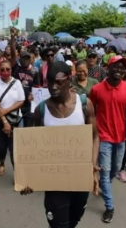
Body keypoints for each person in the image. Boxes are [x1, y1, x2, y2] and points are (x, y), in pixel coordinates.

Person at [21, 61, 100, 228]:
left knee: (73, 221)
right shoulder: (41, 111)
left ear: (69, 80)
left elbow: (94, 137)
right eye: (50, 82)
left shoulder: (84, 105)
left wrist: (93, 167)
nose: (53, 87)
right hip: (54, 183)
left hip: (79, 180)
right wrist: (27, 178)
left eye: (59, 82)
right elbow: (34, 148)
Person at [89, 56, 126, 223]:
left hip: (121, 137)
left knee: (116, 169)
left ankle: (103, 184)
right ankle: (109, 206)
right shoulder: (97, 89)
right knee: (106, 169)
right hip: (103, 137)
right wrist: (92, 133)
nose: (119, 70)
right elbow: (91, 111)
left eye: (122, 67)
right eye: (116, 66)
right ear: (108, 68)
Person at [0, 60, 25, 176]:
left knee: (15, 147)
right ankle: (2, 163)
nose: (5, 72)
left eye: (8, 69)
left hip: (16, 120)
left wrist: (6, 110)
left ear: (11, 70)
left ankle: (17, 172)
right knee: (2, 145)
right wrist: (5, 122)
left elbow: (21, 101)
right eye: (2, 70)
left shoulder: (17, 83)